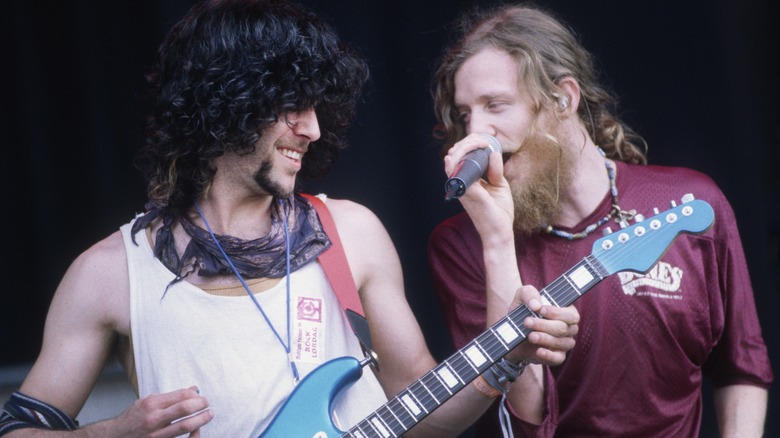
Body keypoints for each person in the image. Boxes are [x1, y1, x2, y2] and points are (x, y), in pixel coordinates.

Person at [0, 1, 581, 436]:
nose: (314, 129)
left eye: (318, 107)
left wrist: (500, 364)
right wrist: (114, 434)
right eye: (290, 108)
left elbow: (422, 410)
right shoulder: (109, 272)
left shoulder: (349, 233)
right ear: (225, 102)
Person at [428, 3, 774, 437]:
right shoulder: (462, 242)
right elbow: (529, 413)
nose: (477, 132)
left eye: (495, 105)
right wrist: (497, 239)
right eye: (464, 116)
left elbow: (742, 365)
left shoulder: (690, 202)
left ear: (564, 98)